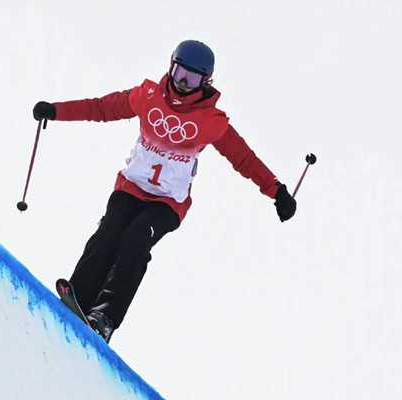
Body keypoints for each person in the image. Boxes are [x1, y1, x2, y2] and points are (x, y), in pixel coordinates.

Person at [33, 40, 297, 343]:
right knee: (109, 232)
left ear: (205, 82)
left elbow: (243, 158)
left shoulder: (212, 122)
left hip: (167, 204)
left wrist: (276, 191)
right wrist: (56, 111)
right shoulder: (147, 96)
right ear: (170, 67)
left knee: (135, 240)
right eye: (179, 72)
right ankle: (79, 295)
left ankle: (104, 317)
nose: (183, 82)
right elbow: (102, 108)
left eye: (193, 78)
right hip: (131, 187)